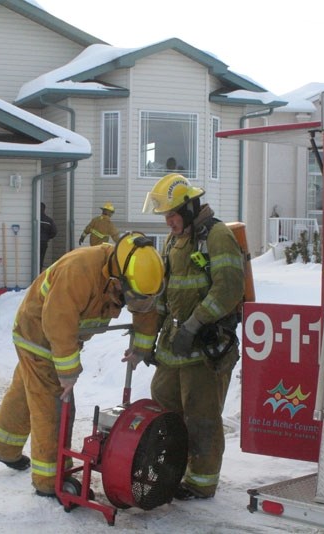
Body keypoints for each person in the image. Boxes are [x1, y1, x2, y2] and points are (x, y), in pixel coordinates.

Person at [0, 233, 164, 499]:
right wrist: (67, 372)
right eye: (130, 296)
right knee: (54, 404)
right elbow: (58, 323)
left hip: (62, 336)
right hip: (39, 335)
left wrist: (141, 347)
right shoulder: (79, 270)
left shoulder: (135, 270)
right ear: (117, 279)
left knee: (27, 389)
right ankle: (51, 479)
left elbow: (146, 309)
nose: (133, 303)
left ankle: (1, 446)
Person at [139, 173, 245, 501]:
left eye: (171, 214)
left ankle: (201, 481)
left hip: (206, 344)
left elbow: (228, 290)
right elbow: (165, 292)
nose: (167, 221)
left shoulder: (217, 236)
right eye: (165, 216)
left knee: (201, 415)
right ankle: (174, 465)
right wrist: (148, 339)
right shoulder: (175, 240)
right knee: (163, 398)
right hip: (175, 342)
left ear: (188, 208)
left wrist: (194, 325)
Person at [39, 202, 57, 271]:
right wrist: (47, 237)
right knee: (41, 259)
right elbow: (54, 232)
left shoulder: (34, 218)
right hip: (43, 242)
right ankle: (39, 272)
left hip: (35, 242)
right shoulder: (48, 220)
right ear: (44, 209)